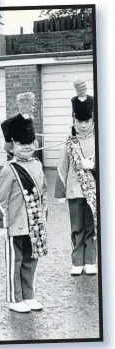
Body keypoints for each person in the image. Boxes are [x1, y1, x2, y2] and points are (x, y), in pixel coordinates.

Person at [0, 111, 49, 313]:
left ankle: (29, 295)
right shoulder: (8, 169)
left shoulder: (38, 165)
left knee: (31, 260)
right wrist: (2, 224)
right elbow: (2, 200)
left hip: (34, 225)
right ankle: (14, 298)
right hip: (14, 225)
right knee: (15, 263)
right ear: (11, 146)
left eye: (30, 142)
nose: (27, 146)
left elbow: (43, 194)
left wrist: (43, 219)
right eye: (21, 143)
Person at [54, 78, 97, 276]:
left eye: (86, 121)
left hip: (94, 192)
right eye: (79, 122)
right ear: (74, 121)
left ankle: (90, 261)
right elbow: (62, 168)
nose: (83, 126)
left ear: (93, 120)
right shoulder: (70, 142)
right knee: (77, 228)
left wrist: (95, 166)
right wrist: (60, 193)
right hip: (73, 191)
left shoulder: (100, 140)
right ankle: (77, 261)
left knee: (91, 227)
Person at [1, 92, 39, 161]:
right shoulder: (14, 121)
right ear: (20, 106)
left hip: (29, 152)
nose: (28, 107)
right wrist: (8, 141)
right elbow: (4, 124)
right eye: (24, 104)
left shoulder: (29, 119)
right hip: (19, 153)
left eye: (30, 104)